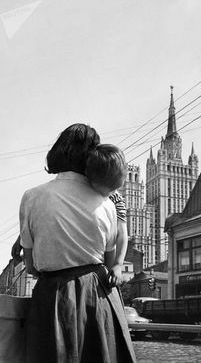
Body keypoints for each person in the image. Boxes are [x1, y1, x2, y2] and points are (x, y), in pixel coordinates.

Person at [19, 124, 136, 363]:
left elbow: (31, 266)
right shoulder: (108, 205)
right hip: (97, 297)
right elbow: (110, 261)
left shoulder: (32, 197)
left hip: (51, 298)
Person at [85, 144, 128, 288]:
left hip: (105, 256)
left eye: (114, 189)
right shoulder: (82, 188)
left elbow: (122, 234)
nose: (109, 193)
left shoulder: (116, 198)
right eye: (105, 190)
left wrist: (118, 265)